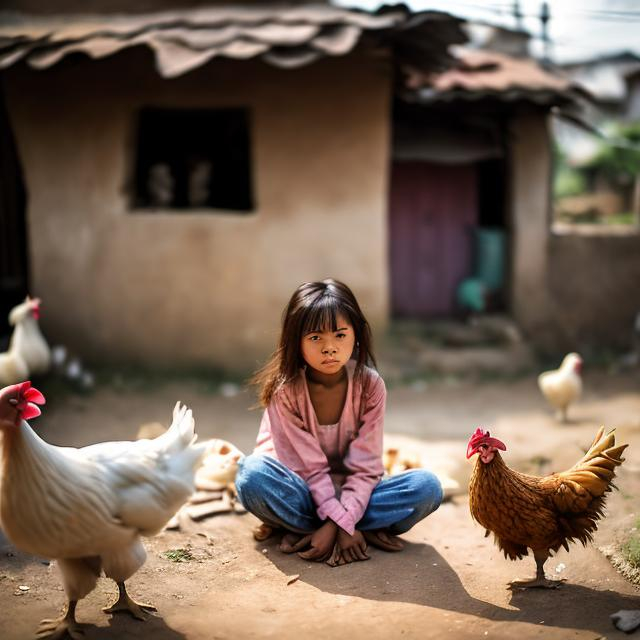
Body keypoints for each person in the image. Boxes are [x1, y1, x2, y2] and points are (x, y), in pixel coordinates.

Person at [236, 279, 443, 566]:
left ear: (356, 336)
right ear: (296, 342)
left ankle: (307, 529)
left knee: (426, 487)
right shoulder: (285, 392)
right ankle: (352, 528)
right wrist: (344, 522)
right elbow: (307, 470)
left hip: (355, 490)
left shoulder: (370, 385)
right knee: (251, 476)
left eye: (340, 335)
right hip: (301, 489)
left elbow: (365, 467)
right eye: (315, 338)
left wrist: (338, 523)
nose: (329, 348)